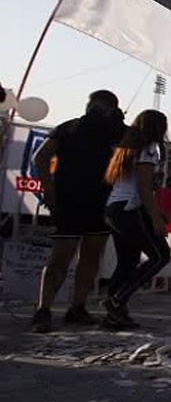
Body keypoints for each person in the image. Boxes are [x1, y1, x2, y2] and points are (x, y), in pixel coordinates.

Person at [30, 90, 126, 333]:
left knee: (92, 256)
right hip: (70, 200)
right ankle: (44, 309)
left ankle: (78, 307)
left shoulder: (117, 132)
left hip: (100, 201)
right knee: (61, 256)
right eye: (93, 105)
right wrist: (50, 191)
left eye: (101, 106)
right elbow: (40, 158)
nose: (95, 110)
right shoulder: (69, 128)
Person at [100, 109, 171, 329]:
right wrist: (155, 218)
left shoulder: (126, 146)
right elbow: (143, 187)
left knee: (127, 260)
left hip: (114, 207)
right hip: (131, 208)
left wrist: (156, 213)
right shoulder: (149, 149)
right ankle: (116, 300)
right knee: (160, 256)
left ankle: (115, 314)